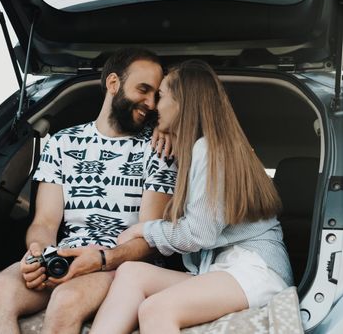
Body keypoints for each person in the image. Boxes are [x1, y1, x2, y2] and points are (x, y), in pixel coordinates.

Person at [0, 48, 178, 334]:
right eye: (143, 90)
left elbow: (150, 239)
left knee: (67, 300)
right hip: (66, 255)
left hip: (119, 263)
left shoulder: (159, 148)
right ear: (113, 84)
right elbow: (45, 222)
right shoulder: (62, 143)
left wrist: (99, 259)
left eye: (155, 95)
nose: (150, 103)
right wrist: (39, 255)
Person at [89, 60, 294, 334]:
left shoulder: (210, 150)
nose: (153, 106)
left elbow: (199, 234)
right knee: (130, 273)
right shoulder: (206, 147)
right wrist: (168, 129)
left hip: (256, 271)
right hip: (221, 270)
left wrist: (143, 230)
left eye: (161, 96)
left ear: (182, 102)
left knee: (156, 308)